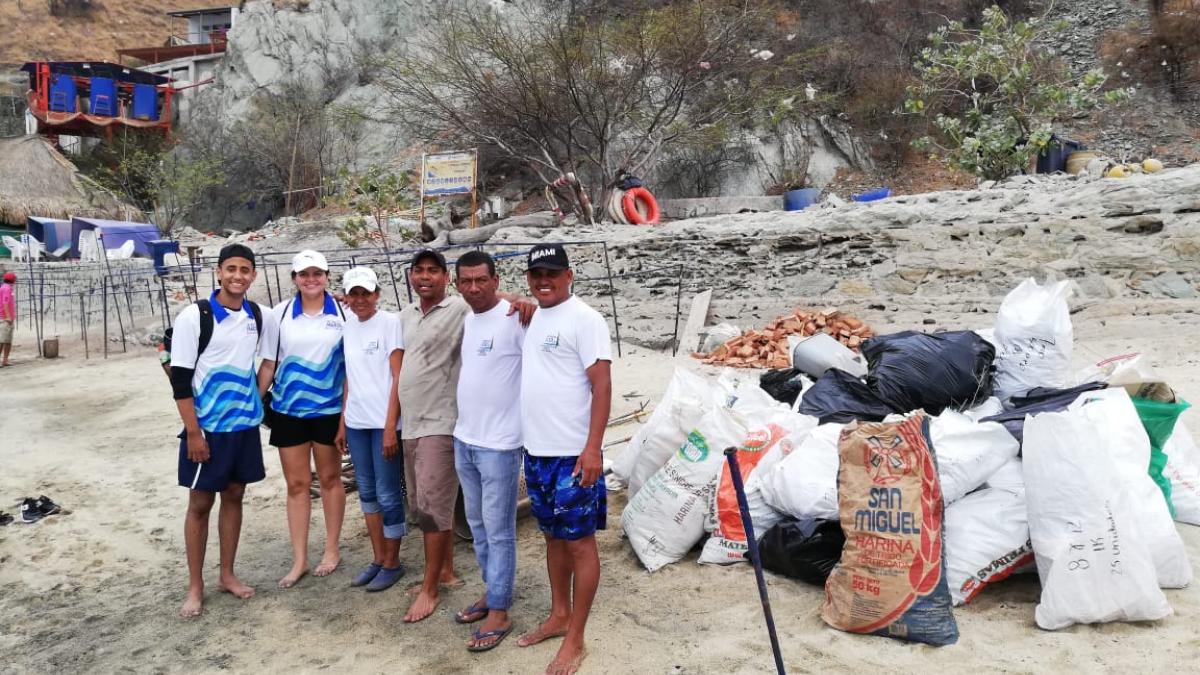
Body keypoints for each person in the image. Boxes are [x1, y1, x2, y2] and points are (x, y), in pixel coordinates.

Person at [516, 243, 612, 675]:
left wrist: (592, 448)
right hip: (536, 452)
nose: (544, 281)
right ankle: (558, 614)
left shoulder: (586, 319)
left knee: (579, 542)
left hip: (573, 455)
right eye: (537, 274)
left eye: (552, 273)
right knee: (552, 537)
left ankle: (577, 638)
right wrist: (516, 301)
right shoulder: (535, 315)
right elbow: (494, 298)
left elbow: (602, 385)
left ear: (569, 275)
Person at [170, 244, 265, 618]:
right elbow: (180, 380)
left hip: (242, 426)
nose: (238, 276)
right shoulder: (196, 316)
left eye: (245, 269)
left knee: (235, 494)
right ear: (218, 272)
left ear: (253, 275)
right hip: (207, 428)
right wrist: (193, 432)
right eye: (231, 269)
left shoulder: (256, 314)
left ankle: (227, 573)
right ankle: (195, 586)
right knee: (200, 503)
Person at [257, 250, 347, 589]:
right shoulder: (279, 315)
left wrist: (346, 415)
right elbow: (269, 363)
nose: (311, 279)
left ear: (326, 275)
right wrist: (252, 403)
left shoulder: (343, 311)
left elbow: (352, 364)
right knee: (296, 486)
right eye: (303, 274)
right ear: (294, 278)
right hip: (288, 411)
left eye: (317, 273)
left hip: (328, 411)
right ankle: (299, 560)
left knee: (329, 480)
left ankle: (332, 549)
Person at [451, 250, 526, 652]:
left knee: (499, 531)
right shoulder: (468, 318)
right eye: (467, 281)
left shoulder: (517, 317)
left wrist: (525, 302)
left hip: (500, 445)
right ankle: (491, 591)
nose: (475, 288)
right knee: (478, 525)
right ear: (457, 284)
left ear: (496, 280)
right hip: (465, 438)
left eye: (482, 280)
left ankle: (500, 610)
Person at [397, 248, 470, 623]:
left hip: (441, 423)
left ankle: (430, 591)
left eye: (433, 271)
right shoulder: (406, 315)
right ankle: (446, 571)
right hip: (411, 423)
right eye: (418, 270)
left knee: (430, 507)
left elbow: (491, 301)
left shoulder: (459, 309)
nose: (425, 277)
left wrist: (518, 301)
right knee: (428, 502)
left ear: (446, 277)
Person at [334, 267, 407, 592]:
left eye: (366, 293)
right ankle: (378, 558)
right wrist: (342, 421)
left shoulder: (390, 324)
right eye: (354, 294)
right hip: (357, 422)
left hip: (382, 423)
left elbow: (397, 376)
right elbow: (351, 376)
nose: (360, 300)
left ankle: (393, 561)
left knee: (389, 492)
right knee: (367, 492)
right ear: (347, 298)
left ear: (377, 294)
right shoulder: (348, 327)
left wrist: (391, 426)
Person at [0, 271, 15, 366]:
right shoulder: (6, 288)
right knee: (2, 340)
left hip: (8, 319)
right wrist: (8, 317)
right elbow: (5, 303)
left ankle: (5, 360)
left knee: (8, 341)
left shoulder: (7, 287)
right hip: (5, 319)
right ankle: (3, 359)